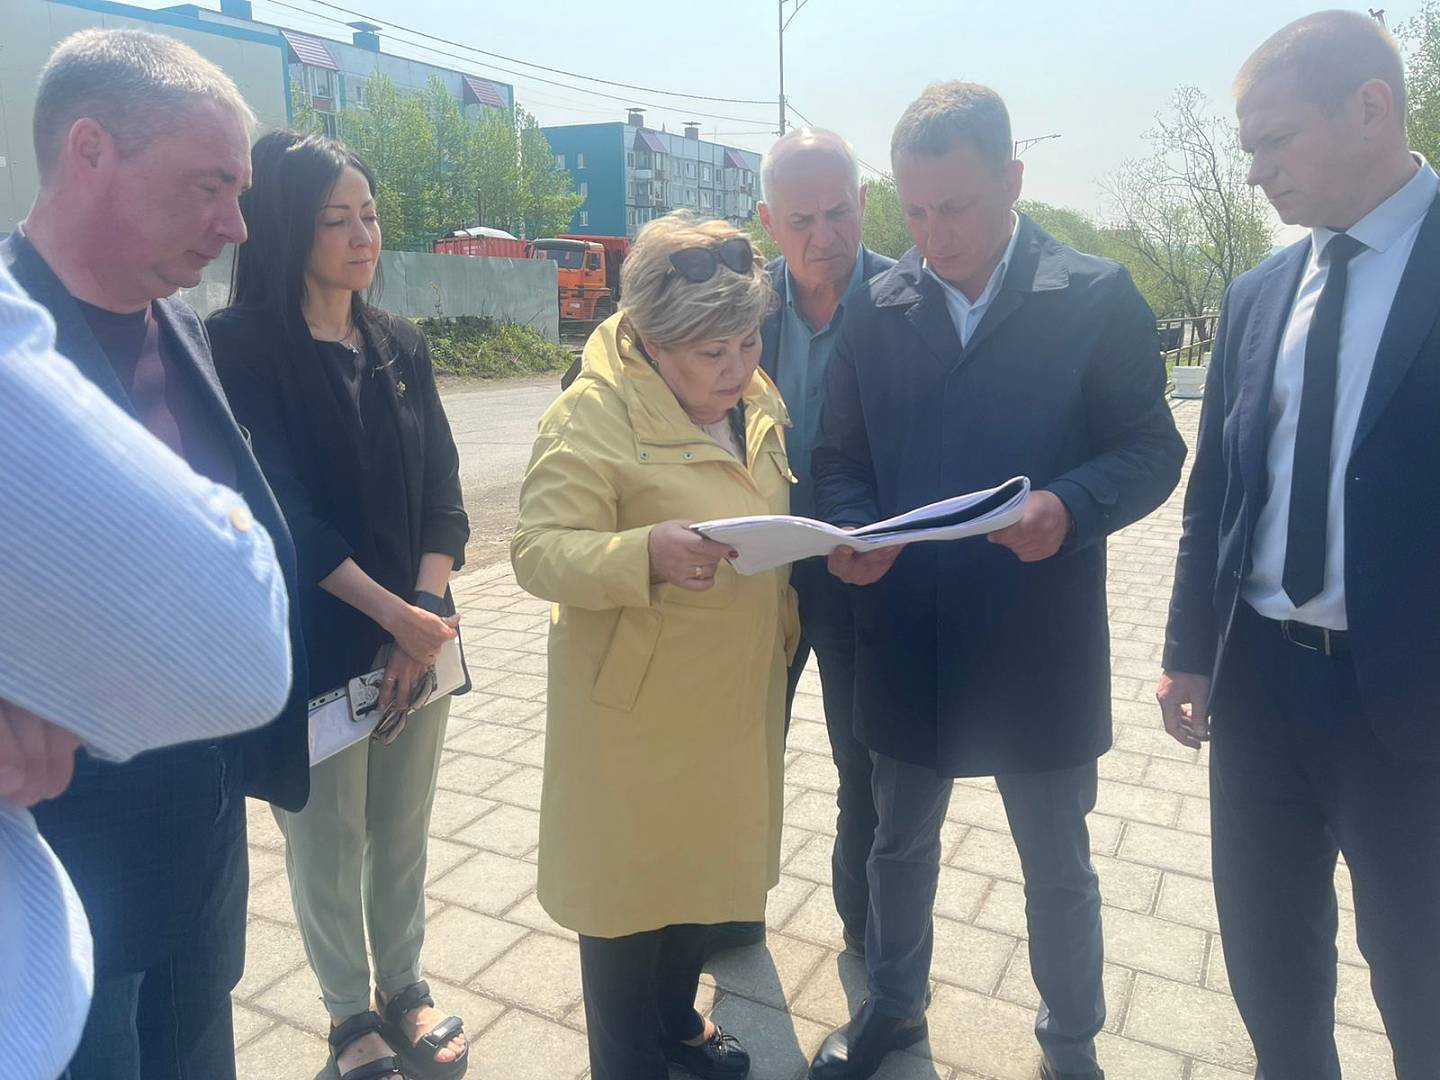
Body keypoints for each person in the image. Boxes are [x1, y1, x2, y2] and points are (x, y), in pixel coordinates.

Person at [808, 82, 1185, 1080]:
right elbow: (838, 457)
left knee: (1056, 861)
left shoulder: (1093, 296)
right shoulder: (876, 308)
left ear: (1014, 179)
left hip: (1037, 630)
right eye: (915, 211)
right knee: (897, 842)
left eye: (958, 206)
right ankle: (894, 1008)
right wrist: (852, 527)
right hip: (910, 627)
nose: (936, 236)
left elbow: (1153, 448)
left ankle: (1071, 1044)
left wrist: (1071, 505)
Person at [0, 28, 311, 1079]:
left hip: (199, 846)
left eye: (241, 192)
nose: (237, 224)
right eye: (209, 186)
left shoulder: (178, 320)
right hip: (65, 879)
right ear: (90, 151)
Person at [1158, 12, 1440, 1079]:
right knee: (1272, 975)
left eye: (1274, 141)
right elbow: (1217, 492)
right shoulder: (1260, 293)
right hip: (1263, 692)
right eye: (1249, 149)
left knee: (1424, 985)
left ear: (1370, 109)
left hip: (1413, 709)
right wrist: (1189, 651)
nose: (1256, 172)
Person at [207, 130, 471, 1080]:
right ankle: (347, 1012)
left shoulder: (401, 343)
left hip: (422, 633)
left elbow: (445, 493)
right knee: (328, 837)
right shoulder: (240, 346)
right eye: (337, 220)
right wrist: (394, 619)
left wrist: (424, 616)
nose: (364, 237)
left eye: (370, 215)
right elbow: (284, 512)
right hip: (318, 641)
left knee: (402, 827)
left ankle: (404, 984)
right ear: (288, 228)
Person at [511, 212, 798, 1080]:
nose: (737, 368)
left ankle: (677, 1023)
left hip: (730, 699)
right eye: (712, 352)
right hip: (635, 714)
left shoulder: (752, 396)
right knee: (628, 903)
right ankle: (630, 1059)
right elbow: (536, 551)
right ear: (651, 340)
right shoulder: (591, 414)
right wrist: (642, 554)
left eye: (748, 342)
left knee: (700, 884)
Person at [722, 128, 893, 957]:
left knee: (865, 761)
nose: (823, 236)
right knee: (741, 748)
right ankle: (725, 911)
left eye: (838, 213)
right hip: (759, 573)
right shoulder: (738, 308)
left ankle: (868, 930)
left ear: (864, 202)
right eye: (800, 221)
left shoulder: (910, 301)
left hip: (868, 573)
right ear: (767, 222)